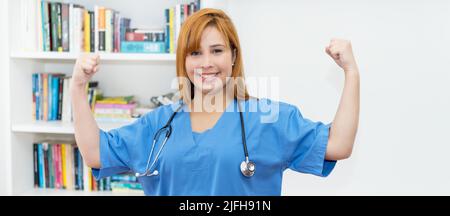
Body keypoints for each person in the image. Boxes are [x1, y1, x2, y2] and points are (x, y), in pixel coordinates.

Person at [70, 8, 360, 195]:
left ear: (233, 56)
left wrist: (351, 72)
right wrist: (78, 86)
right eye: (195, 53)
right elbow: (96, 153)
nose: (206, 63)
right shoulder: (159, 123)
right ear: (183, 60)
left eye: (217, 50)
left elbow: (338, 144)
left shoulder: (268, 118)